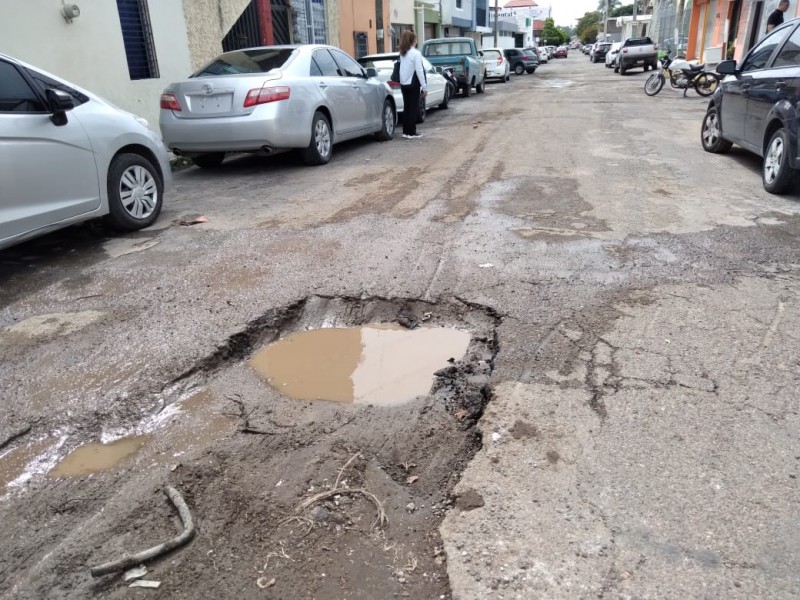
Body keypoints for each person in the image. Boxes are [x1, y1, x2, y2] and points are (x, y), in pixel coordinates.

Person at [398, 30, 427, 139]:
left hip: (403, 83)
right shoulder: (416, 53)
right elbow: (419, 71)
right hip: (413, 84)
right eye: (416, 39)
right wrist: (424, 87)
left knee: (407, 107)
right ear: (413, 40)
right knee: (413, 108)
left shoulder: (402, 52)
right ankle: (411, 132)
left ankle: (406, 132)